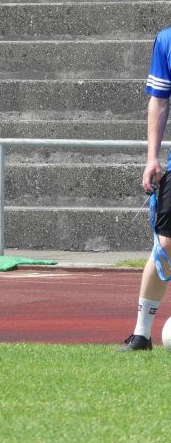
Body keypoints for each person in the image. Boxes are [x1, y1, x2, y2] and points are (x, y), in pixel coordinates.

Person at [121, 26, 171, 351]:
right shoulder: (166, 41)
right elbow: (159, 101)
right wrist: (152, 157)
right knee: (166, 245)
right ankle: (141, 334)